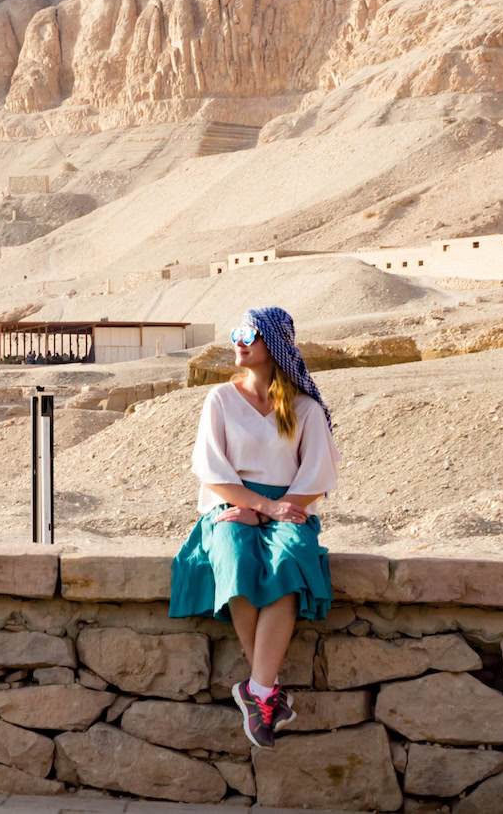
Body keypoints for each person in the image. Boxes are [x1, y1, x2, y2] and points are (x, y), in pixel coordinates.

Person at [170, 306, 339, 748]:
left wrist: (268, 511)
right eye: (236, 334)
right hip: (231, 505)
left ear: (274, 345)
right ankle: (266, 693)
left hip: (288, 508)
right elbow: (211, 470)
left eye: (249, 334)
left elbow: (316, 474)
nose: (238, 342)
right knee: (235, 555)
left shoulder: (305, 408)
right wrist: (252, 506)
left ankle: (258, 690)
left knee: (289, 561)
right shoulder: (220, 400)